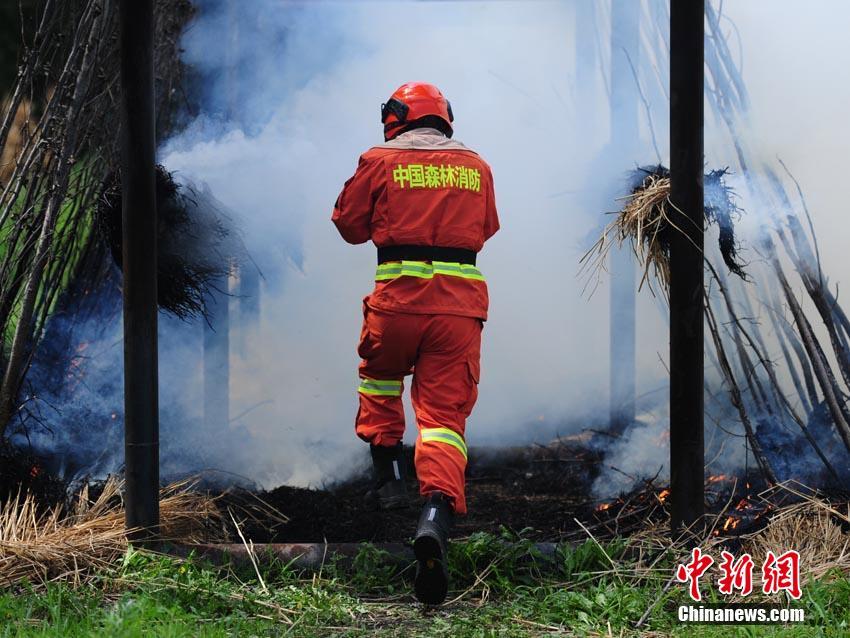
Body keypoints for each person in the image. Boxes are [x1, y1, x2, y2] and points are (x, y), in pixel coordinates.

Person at [331, 81, 499, 604]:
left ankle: (387, 476)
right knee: (443, 421)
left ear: (395, 118)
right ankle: (434, 517)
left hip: (397, 305)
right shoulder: (477, 165)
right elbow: (487, 228)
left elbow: (348, 225)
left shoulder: (379, 159)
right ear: (445, 117)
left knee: (379, 376)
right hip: (457, 309)